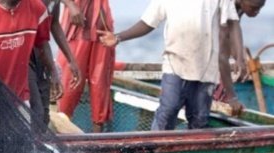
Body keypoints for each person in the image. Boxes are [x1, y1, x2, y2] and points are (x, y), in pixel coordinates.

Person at [99, 0, 245, 130]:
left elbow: (233, 23)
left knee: (199, 118)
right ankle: (155, 150)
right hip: (175, 63)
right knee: (169, 109)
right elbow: (148, 22)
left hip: (206, 68)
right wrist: (118, 37)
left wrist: (240, 58)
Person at [57, 0, 115, 133]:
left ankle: (98, 140)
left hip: (103, 28)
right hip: (75, 26)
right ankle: (60, 136)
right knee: (69, 83)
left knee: (100, 84)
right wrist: (70, 5)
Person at [29, 0, 81, 127]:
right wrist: (70, 4)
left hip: (42, 54)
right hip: (24, 54)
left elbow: (54, 24)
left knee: (44, 115)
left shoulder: (54, 3)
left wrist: (72, 60)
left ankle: (38, 144)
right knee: (36, 111)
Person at [216, 0, 266, 115]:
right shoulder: (224, 7)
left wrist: (240, 59)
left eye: (259, 9)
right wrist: (231, 97)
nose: (257, 12)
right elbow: (221, 53)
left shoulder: (238, 8)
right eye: (253, 8)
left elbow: (234, 31)